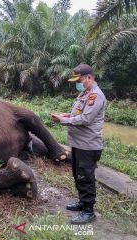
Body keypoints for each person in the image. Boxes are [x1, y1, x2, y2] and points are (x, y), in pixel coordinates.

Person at [51, 63, 106, 224]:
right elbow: (78, 113)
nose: (77, 83)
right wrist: (66, 114)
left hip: (88, 145)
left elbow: (86, 119)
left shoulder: (96, 95)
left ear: (89, 78)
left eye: (79, 80)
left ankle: (89, 211)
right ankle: (83, 202)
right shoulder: (84, 94)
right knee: (78, 175)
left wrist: (63, 120)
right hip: (78, 143)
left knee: (86, 177)